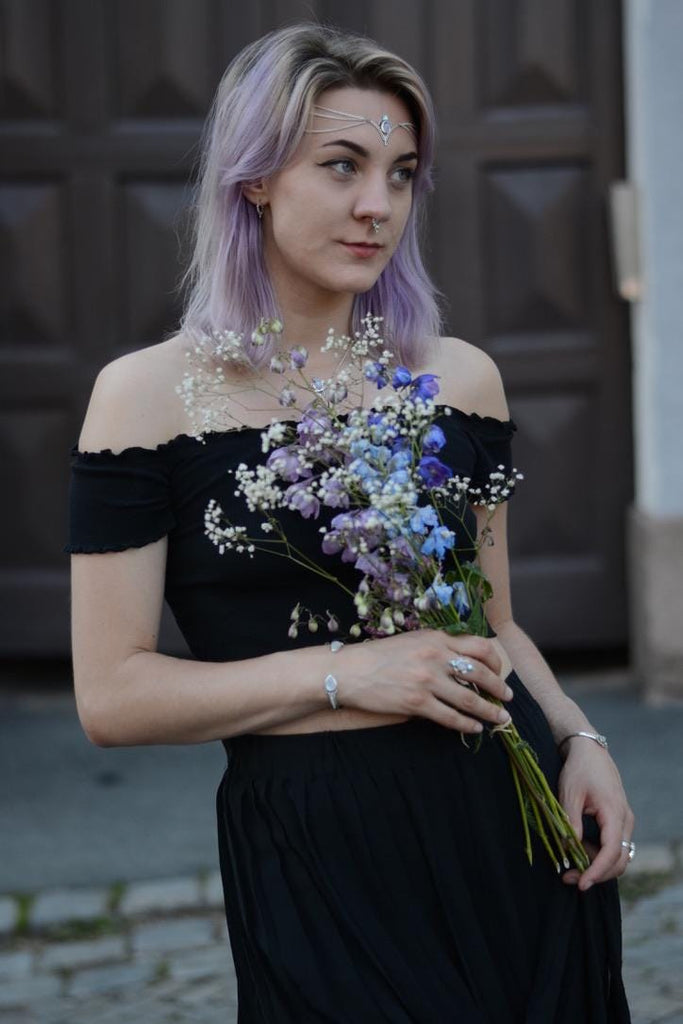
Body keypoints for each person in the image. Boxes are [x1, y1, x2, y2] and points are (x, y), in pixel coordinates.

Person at [67, 22, 633, 1022]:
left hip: (507, 823)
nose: (378, 205)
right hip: (315, 853)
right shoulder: (145, 399)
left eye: (401, 172)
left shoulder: (459, 379)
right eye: (341, 166)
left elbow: (493, 625)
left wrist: (581, 736)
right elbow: (112, 697)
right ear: (254, 179)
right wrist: (343, 675)